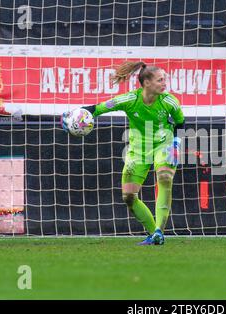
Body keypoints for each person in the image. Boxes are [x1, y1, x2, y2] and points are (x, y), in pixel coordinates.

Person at [62, 61, 185, 245]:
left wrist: (176, 143)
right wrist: (73, 114)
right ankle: (155, 235)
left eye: (164, 80)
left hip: (163, 145)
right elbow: (99, 108)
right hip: (138, 151)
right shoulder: (129, 100)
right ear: (146, 83)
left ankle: (160, 229)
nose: (164, 83)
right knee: (128, 197)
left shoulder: (169, 102)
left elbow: (180, 123)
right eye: (160, 80)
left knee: (165, 178)